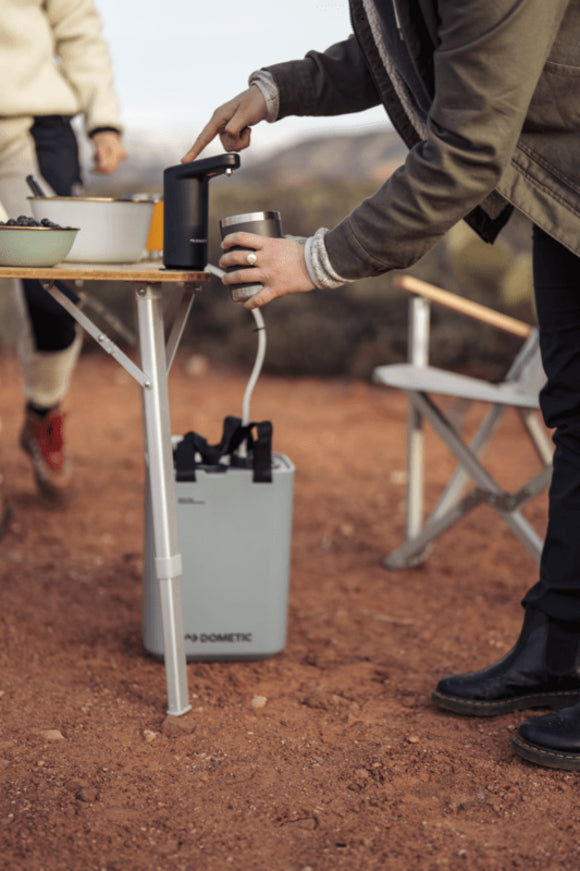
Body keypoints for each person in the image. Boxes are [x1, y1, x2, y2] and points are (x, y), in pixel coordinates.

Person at [183, 1, 580, 770]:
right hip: (569, 192)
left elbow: (466, 151)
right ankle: (561, 643)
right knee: (575, 415)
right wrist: (278, 89)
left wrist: (316, 259)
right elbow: (406, 45)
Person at [0, 0, 126, 501]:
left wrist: (104, 119)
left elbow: (76, 26)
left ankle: (44, 411)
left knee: (54, 289)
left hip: (33, 126)